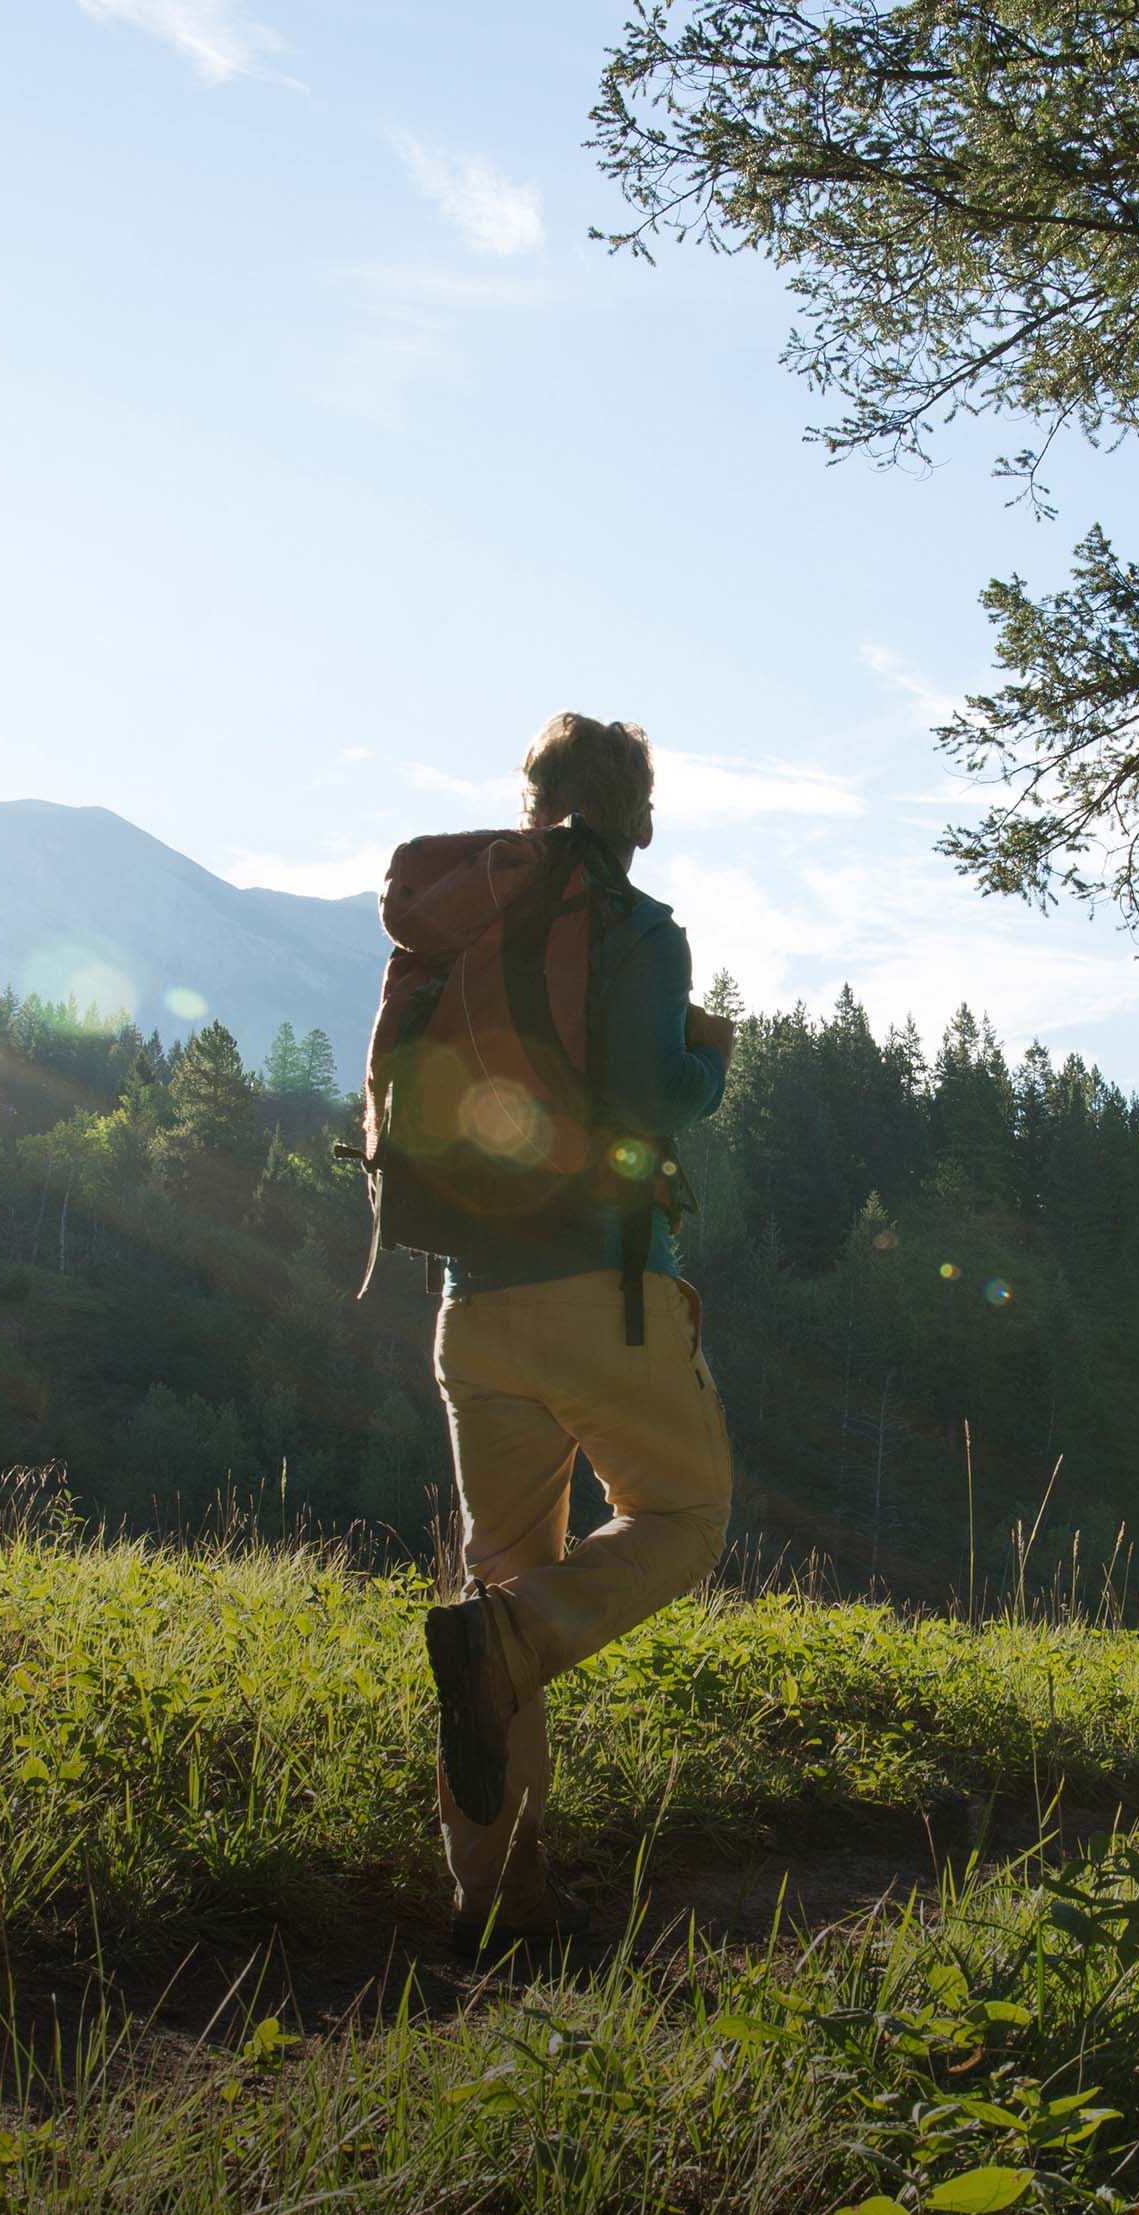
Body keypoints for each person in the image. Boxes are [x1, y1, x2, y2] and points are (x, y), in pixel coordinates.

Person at [360, 713, 734, 1960]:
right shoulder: (636, 928)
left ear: (531, 807)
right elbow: (642, 1094)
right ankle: (512, 1646)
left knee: (503, 1580)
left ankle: (496, 1898)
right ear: (633, 813)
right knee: (684, 1517)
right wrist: (707, 1067)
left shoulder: (462, 922)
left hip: (471, 1307)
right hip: (605, 1290)